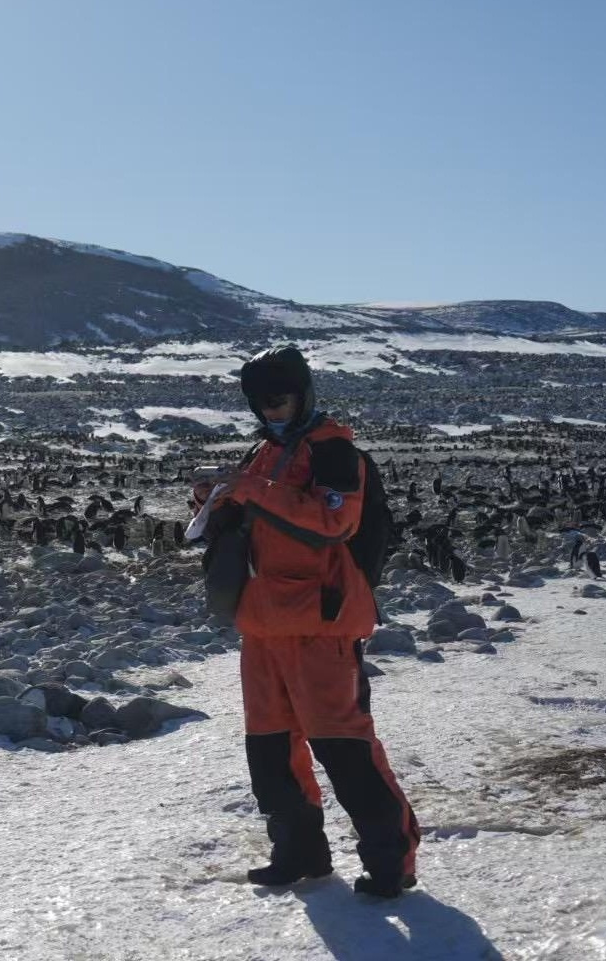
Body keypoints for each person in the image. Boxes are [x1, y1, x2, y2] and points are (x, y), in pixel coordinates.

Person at [190, 344, 421, 899]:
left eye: (280, 398)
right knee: (270, 750)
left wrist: (250, 489)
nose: (272, 411)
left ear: (304, 393)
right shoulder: (263, 454)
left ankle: (392, 862)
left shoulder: (335, 453)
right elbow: (252, 519)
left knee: (344, 747)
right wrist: (211, 499)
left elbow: (332, 521)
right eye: (262, 403)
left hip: (322, 620)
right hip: (264, 620)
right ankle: (299, 854)